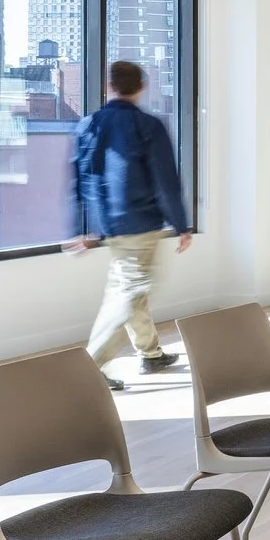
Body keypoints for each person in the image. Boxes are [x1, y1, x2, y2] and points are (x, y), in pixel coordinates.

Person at [65, 59, 193, 390]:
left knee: (131, 285)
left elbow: (78, 177)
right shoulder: (148, 125)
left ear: (110, 87)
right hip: (140, 222)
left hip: (108, 224)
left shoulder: (89, 123)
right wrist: (182, 225)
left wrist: (79, 228)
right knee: (130, 290)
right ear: (142, 87)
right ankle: (91, 366)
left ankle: (150, 354)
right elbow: (167, 180)